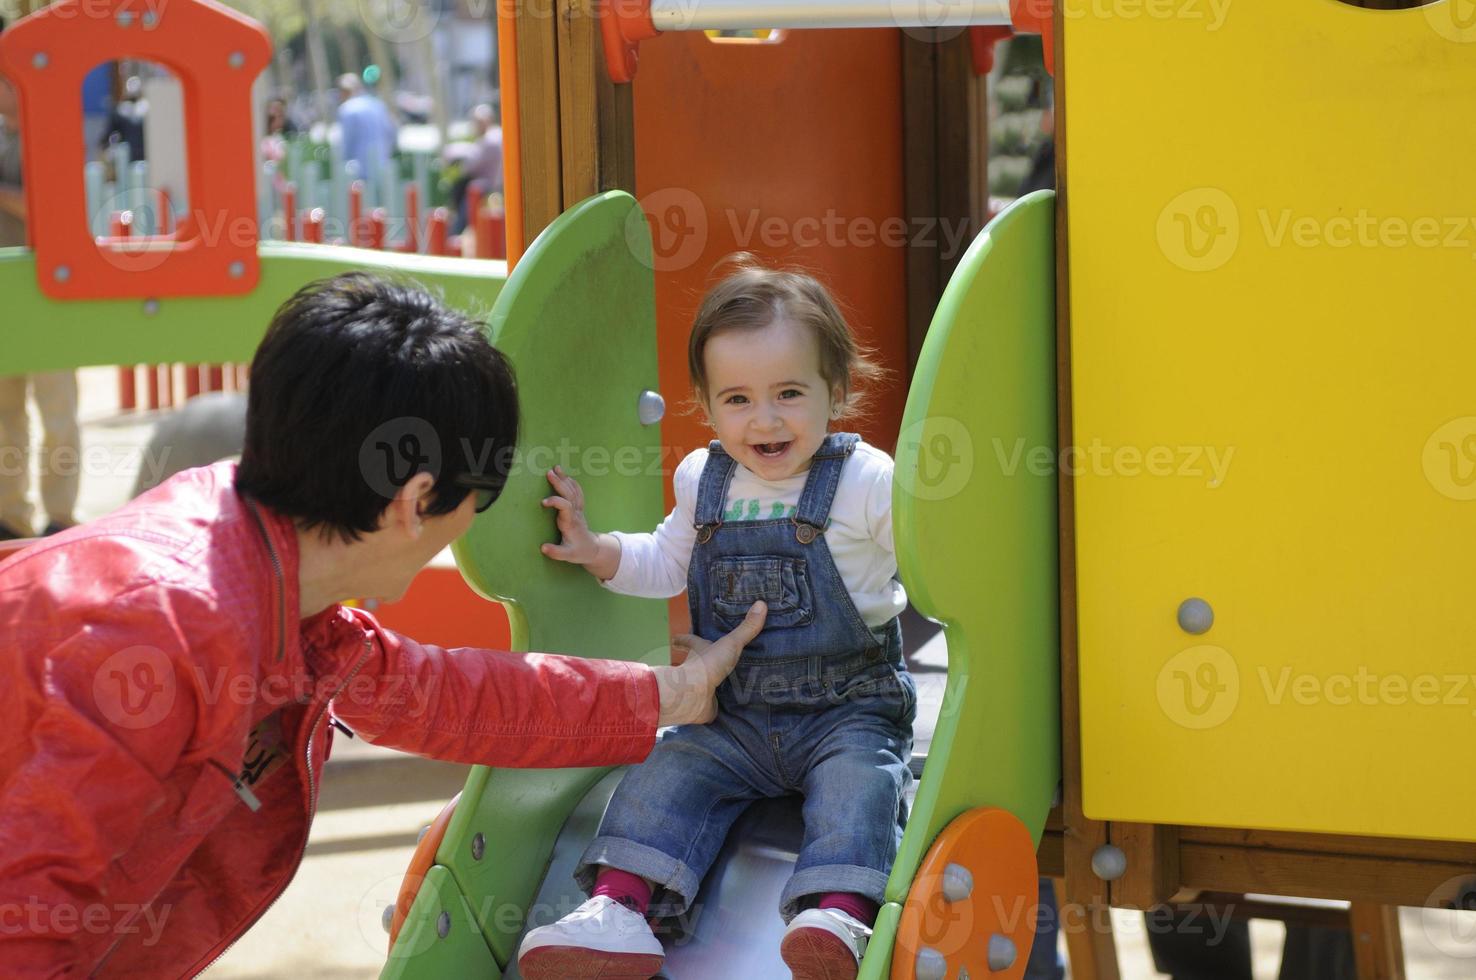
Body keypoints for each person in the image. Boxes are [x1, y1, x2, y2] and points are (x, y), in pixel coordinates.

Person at [0, 272, 768, 976]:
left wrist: (674, 693)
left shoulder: (261, 567)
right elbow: (26, 924)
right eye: (480, 502)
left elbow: (443, 697)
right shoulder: (159, 636)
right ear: (413, 501)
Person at [517, 258, 912, 980]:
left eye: (789, 393)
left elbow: (931, 562)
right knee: (665, 774)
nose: (764, 419)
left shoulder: (867, 482)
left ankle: (838, 915)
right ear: (706, 402)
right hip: (731, 713)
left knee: (862, 782)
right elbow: (666, 562)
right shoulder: (706, 479)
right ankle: (620, 911)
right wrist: (596, 549)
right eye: (737, 399)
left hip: (846, 708)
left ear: (838, 391)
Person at [0, 29, 80, 540]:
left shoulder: (47, 134)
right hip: (6, 289)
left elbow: (46, 211)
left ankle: (59, 515)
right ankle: (10, 517)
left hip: (48, 289)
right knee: (5, 414)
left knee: (58, 415)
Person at [336, 71, 397, 199]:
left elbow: (346, 143)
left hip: (359, 171)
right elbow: (392, 132)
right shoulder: (378, 105)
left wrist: (342, 166)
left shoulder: (347, 109)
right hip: (382, 167)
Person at [449, 101, 503, 234]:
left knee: (465, 202)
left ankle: (456, 232)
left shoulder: (490, 140)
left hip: (487, 188)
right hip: (496, 186)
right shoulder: (496, 135)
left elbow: (471, 167)